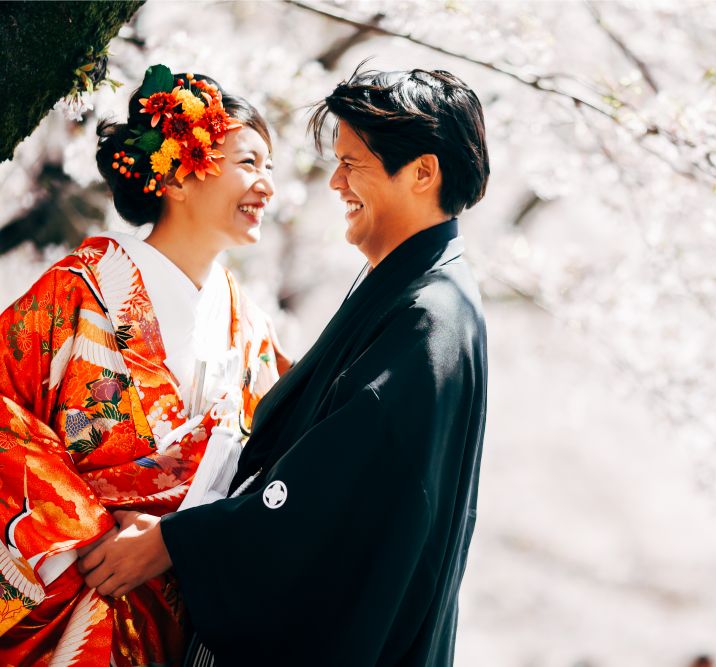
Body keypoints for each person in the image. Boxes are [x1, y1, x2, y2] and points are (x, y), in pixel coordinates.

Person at [79, 64, 490, 666]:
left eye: (353, 163)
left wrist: (176, 542)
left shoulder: (432, 314)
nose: (334, 182)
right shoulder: (414, 292)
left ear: (423, 172)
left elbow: (334, 484)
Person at [0, 64, 288, 665]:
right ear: (178, 177)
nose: (266, 185)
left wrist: (171, 543)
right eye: (248, 163)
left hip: (178, 611)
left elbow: (272, 465)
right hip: (75, 589)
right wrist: (94, 535)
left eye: (270, 168)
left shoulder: (252, 329)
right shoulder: (78, 291)